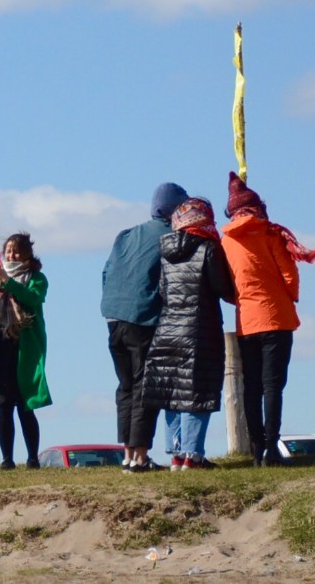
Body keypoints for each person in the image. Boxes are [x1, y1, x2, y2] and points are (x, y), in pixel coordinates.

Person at [218, 173, 315, 466]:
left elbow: (228, 283)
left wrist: (241, 300)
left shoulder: (226, 241)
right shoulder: (270, 233)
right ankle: (271, 448)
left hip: (247, 320)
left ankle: (256, 449)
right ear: (258, 207)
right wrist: (289, 297)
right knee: (273, 386)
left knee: (251, 388)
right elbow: (289, 274)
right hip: (277, 319)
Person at [142, 196, 237, 470]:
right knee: (196, 394)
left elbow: (162, 290)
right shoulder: (208, 248)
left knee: (172, 392)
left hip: (167, 330)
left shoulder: (165, 252)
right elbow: (223, 288)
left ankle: (175, 454)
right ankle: (192, 456)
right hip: (200, 330)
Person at [100, 181, 189, 471]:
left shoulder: (125, 235)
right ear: (175, 210)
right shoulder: (171, 238)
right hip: (143, 318)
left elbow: (106, 272)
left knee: (125, 386)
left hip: (114, 317)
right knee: (144, 388)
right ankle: (139, 457)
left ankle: (127, 453)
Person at [0, 232, 51, 469]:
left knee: (25, 403)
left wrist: (7, 281)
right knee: (4, 403)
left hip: (24, 346)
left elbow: (33, 298)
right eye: (8, 250)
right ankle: (7, 459)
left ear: (28, 253)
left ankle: (32, 458)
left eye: (16, 250)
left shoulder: (37, 278)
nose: (11, 254)